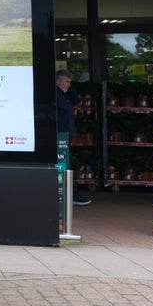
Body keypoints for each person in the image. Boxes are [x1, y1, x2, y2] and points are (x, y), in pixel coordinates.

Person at [56, 69, 90, 206]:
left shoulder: (64, 95)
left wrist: (70, 87)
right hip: (60, 136)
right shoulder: (55, 95)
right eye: (66, 82)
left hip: (66, 134)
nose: (68, 85)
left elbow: (76, 100)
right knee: (66, 165)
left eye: (70, 82)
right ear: (58, 82)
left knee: (67, 164)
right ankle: (71, 194)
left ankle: (70, 194)